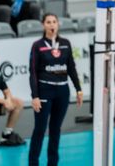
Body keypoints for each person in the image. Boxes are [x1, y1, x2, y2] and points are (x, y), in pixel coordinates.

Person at [28, 13, 83, 166]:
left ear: (58, 24)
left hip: (62, 92)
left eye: (54, 22)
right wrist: (35, 96)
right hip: (45, 90)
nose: (52, 25)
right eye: (48, 22)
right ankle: (33, 163)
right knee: (40, 129)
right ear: (43, 25)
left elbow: (71, 67)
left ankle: (53, 163)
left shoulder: (65, 43)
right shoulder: (37, 45)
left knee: (55, 129)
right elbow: (33, 72)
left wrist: (78, 89)